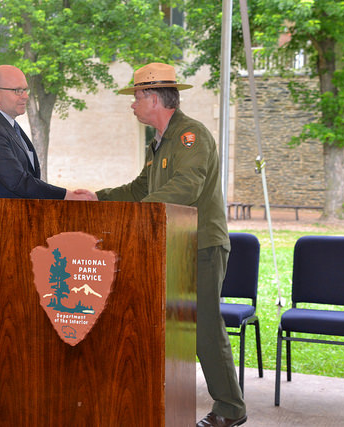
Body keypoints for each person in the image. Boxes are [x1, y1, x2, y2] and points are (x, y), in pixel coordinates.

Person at [92, 63, 247, 427]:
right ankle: (160, 396)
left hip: (202, 247)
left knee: (204, 329)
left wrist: (138, 217)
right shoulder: (159, 141)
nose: (132, 105)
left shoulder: (191, 136)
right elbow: (138, 189)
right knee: (166, 327)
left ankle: (231, 408)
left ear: (154, 98)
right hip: (173, 245)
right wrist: (96, 199)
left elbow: (185, 188)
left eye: (136, 98)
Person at [0, 64, 92, 396]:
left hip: (13, 235)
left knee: (12, 305)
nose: (24, 96)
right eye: (17, 90)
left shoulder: (10, 126)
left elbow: (28, 178)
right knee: (7, 306)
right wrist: (65, 196)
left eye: (25, 90)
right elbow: (18, 182)